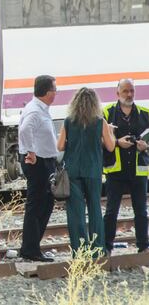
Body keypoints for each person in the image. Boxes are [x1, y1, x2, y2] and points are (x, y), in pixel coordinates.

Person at [57, 87, 115, 257]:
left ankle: (80, 251)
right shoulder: (100, 122)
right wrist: (110, 132)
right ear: (95, 103)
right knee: (95, 208)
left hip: (72, 171)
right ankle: (97, 250)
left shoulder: (68, 121)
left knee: (76, 212)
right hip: (93, 170)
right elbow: (111, 146)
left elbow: (60, 146)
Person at [103, 78, 149, 254]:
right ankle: (107, 247)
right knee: (111, 211)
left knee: (141, 211)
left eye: (132, 91)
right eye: (125, 91)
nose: (129, 94)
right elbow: (99, 140)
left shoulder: (145, 113)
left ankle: (143, 247)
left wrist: (146, 146)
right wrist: (117, 143)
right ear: (118, 93)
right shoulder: (106, 113)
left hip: (139, 170)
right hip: (116, 170)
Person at [18, 75, 59, 262]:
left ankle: (32, 247)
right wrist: (31, 152)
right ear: (47, 92)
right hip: (38, 162)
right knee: (37, 205)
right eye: (54, 90)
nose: (56, 93)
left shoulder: (40, 108)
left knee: (46, 204)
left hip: (45, 161)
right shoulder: (35, 110)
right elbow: (25, 130)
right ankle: (30, 250)